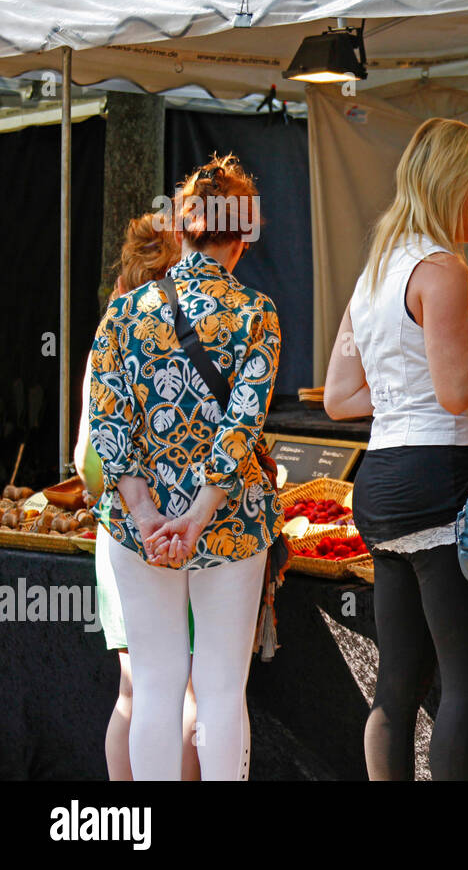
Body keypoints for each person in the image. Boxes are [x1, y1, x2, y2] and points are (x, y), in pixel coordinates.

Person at [324, 117, 468, 781]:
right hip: (442, 476)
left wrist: (409, 388)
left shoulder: (375, 270)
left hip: (381, 482)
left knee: (397, 683)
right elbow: (457, 391)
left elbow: (340, 398)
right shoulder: (442, 270)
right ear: (447, 187)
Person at [89, 154, 282, 781]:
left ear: (182, 227)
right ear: (243, 235)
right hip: (228, 525)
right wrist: (197, 517)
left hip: (138, 529)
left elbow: (108, 429)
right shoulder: (258, 313)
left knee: (153, 687)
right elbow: (240, 428)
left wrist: (148, 516)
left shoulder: (124, 312)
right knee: (223, 692)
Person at [74, 213, 201, 781]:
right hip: (195, 535)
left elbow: (88, 467)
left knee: (136, 690)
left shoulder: (110, 338)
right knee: (190, 692)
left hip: (121, 533)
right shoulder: (211, 332)